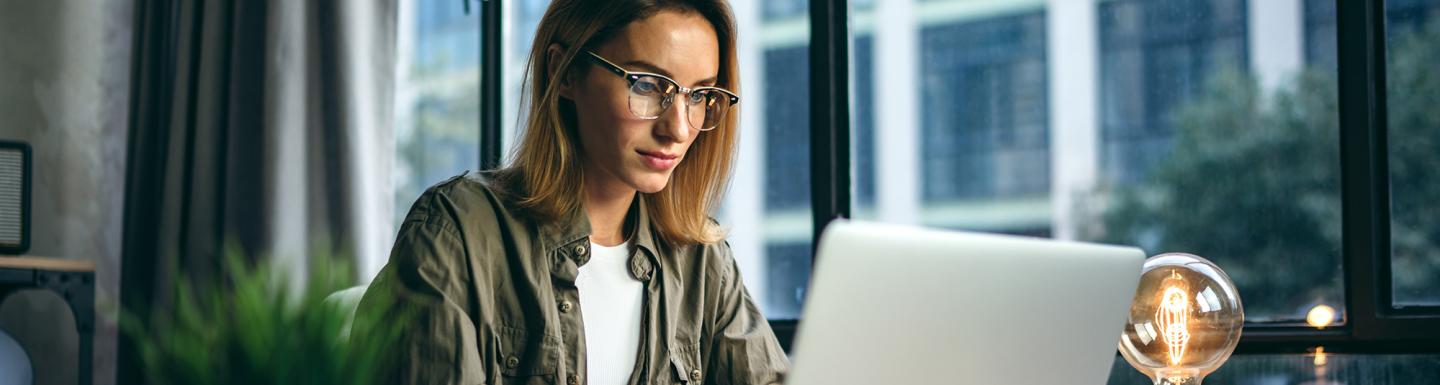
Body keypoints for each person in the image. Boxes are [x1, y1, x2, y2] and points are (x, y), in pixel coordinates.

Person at [354, 1, 790, 384]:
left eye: (699, 95)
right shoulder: (459, 233)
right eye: (647, 85)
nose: (677, 127)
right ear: (564, 73)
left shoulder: (702, 261)